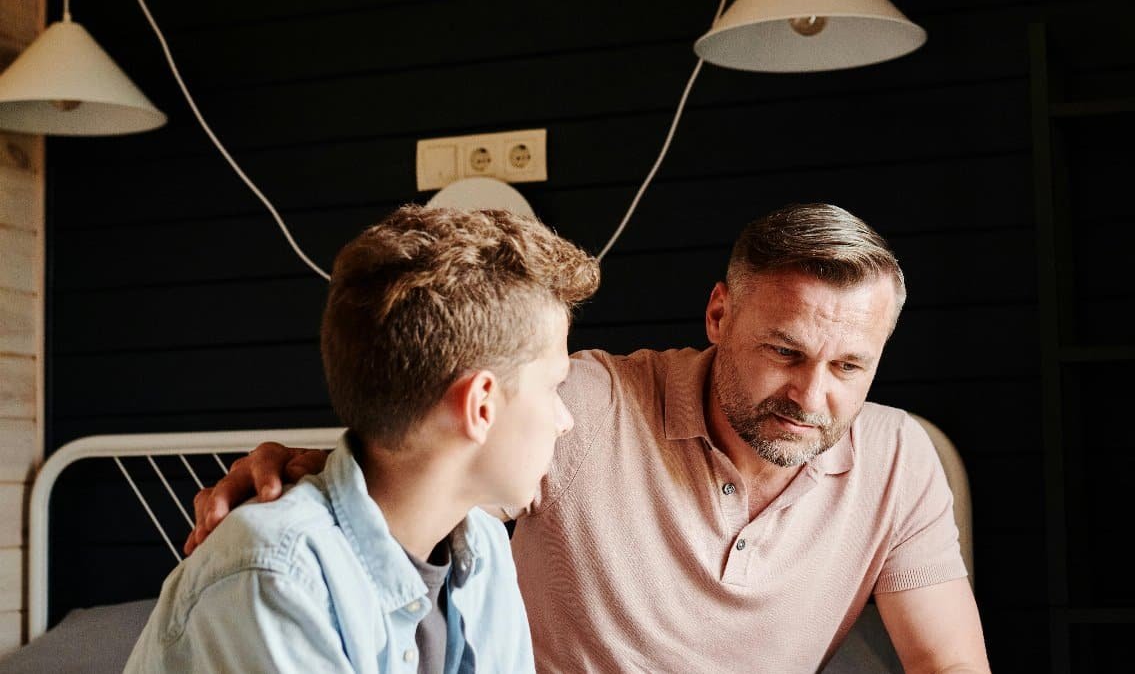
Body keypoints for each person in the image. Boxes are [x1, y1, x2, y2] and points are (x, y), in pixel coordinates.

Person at [189, 203, 991, 673]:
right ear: (719, 315)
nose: (813, 394)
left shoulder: (897, 457)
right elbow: (431, 446)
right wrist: (320, 478)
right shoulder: (583, 404)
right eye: (785, 351)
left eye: (850, 364)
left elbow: (951, 664)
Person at [125, 206, 600, 673]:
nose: (565, 420)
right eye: (554, 386)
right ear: (480, 406)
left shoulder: (485, 547)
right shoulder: (275, 575)